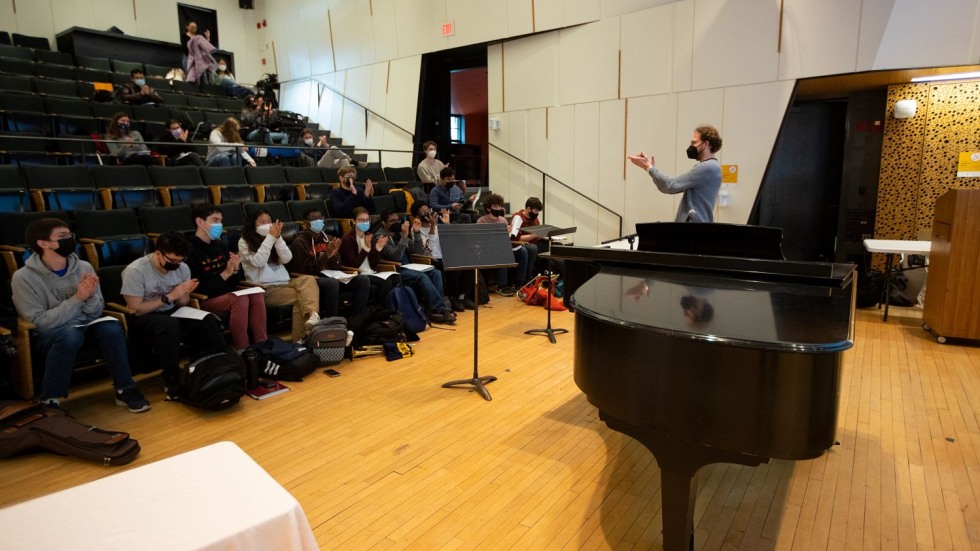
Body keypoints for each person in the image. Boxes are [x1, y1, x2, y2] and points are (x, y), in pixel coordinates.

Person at [11, 218, 150, 412]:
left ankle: (125, 389)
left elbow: (95, 310)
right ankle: (50, 398)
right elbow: (40, 322)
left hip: (86, 324)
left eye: (70, 235)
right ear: (43, 243)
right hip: (53, 334)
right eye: (62, 236)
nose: (69, 239)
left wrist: (90, 298)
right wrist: (78, 299)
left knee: (110, 327)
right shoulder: (23, 277)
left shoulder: (84, 267)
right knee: (70, 334)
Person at [121, 231, 225, 399]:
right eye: (172, 260)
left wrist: (184, 292)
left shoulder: (182, 267)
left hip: (172, 310)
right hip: (144, 317)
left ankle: (215, 366)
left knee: (206, 319)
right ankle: (171, 379)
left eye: (180, 260)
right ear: (158, 254)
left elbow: (182, 303)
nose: (177, 264)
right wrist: (171, 296)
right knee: (168, 325)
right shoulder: (135, 271)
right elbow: (136, 309)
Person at [186, 205, 268, 351]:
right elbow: (199, 289)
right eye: (215, 220)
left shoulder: (220, 245)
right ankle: (242, 349)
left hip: (228, 293)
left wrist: (235, 268)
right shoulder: (190, 250)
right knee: (240, 299)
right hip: (205, 298)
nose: (219, 225)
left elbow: (234, 282)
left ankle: (262, 343)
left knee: (256, 293)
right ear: (199, 222)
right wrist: (225, 273)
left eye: (221, 221)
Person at [238, 209, 321, 343]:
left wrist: (278, 238)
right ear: (253, 225)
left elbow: (287, 258)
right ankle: (301, 338)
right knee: (301, 298)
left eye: (269, 222)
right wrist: (270, 238)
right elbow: (258, 262)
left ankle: (313, 316)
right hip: (264, 288)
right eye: (262, 222)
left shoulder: (274, 237)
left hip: (285, 283)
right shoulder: (244, 241)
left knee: (308, 279)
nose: (267, 224)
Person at [627, 125, 723, 223]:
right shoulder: (712, 167)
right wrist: (650, 168)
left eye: (694, 143)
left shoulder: (707, 168)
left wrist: (649, 168)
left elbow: (670, 185)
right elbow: (668, 188)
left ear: (706, 144)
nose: (691, 146)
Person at [376, 209, 456, 324]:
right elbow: (395, 256)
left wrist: (416, 233)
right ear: (384, 223)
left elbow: (417, 251)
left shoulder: (400, 231)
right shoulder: (380, 236)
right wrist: (404, 237)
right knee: (422, 277)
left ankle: (437, 309)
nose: (396, 222)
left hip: (411, 266)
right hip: (396, 268)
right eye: (392, 221)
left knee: (436, 272)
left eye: (397, 220)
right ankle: (440, 309)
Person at [288, 206, 370, 318]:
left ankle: (357, 318)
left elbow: (338, 265)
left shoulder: (329, 238)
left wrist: (334, 256)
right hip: (314, 279)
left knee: (363, 279)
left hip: (332, 275)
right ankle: (332, 321)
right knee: (332, 283)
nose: (317, 220)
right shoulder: (300, 242)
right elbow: (306, 271)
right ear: (306, 222)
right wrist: (326, 256)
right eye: (313, 218)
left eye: (320, 217)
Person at [409, 201, 473, 312]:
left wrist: (447, 225)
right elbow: (428, 250)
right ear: (417, 216)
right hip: (429, 260)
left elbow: (451, 243)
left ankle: (463, 296)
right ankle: (453, 298)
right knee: (449, 265)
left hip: (443, 256)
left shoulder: (438, 226)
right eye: (424, 212)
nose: (428, 213)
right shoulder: (416, 229)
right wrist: (432, 227)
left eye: (428, 210)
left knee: (469, 261)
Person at [338, 207, 401, 305]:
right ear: (353, 221)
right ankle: (379, 309)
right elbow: (354, 265)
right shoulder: (347, 239)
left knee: (396, 277)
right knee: (386, 281)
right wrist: (366, 249)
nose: (365, 223)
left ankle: (393, 308)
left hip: (370, 272)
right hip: (355, 274)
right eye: (361, 220)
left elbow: (373, 263)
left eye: (367, 220)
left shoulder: (369, 236)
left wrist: (378, 248)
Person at [476, 193, 531, 296]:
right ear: (488, 208)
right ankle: (502, 285)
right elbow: (482, 240)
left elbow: (506, 238)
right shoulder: (481, 221)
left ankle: (520, 282)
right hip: (488, 250)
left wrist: (510, 232)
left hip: (503, 246)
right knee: (502, 252)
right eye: (495, 206)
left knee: (523, 251)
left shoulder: (503, 220)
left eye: (499, 206)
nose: (498, 208)